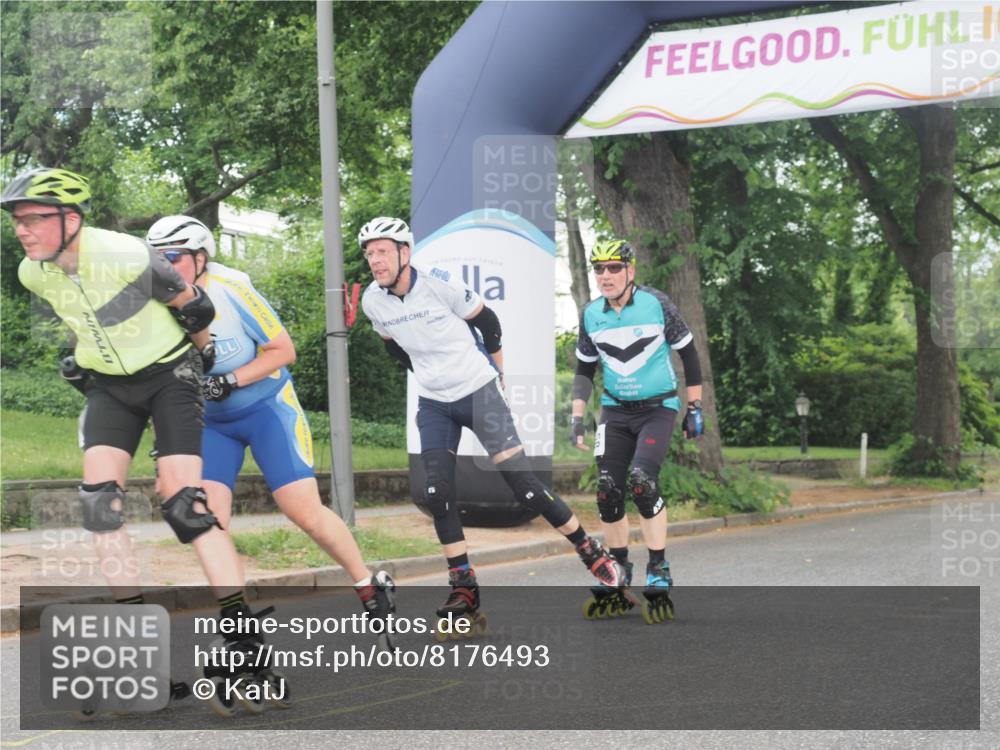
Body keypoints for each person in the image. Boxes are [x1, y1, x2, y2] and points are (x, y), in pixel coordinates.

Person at [1, 167, 262, 710]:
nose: (21, 230)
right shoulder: (34, 272)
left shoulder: (126, 254)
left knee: (186, 507)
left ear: (70, 220)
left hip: (171, 376)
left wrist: (206, 350)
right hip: (111, 388)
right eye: (16, 221)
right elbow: (84, 314)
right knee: (99, 507)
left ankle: (244, 640)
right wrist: (83, 356)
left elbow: (194, 306)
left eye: (32, 219)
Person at [358, 216, 625, 625]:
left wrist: (497, 375)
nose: (375, 260)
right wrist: (428, 376)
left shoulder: (438, 284)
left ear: (404, 253)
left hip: (478, 390)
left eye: (382, 251)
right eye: (370, 253)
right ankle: (463, 585)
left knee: (526, 487)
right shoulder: (372, 301)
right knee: (436, 489)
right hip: (434, 402)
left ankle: (588, 549)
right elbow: (394, 349)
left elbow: (489, 322)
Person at [144, 215, 395, 636]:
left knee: (303, 511)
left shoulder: (232, 288)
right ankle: (238, 622)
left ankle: (368, 585)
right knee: (209, 520)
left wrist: (231, 379)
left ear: (201, 257)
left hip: (266, 409)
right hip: (213, 423)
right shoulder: (156, 301)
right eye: (156, 261)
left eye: (172, 258)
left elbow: (284, 350)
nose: (163, 270)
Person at [570, 239, 704, 623]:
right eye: (599, 269)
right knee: (607, 488)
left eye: (614, 268)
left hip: (657, 408)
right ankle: (619, 569)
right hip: (614, 411)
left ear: (631, 271)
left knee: (642, 480)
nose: (606, 276)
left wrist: (695, 407)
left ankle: (659, 568)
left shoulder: (656, 304)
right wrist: (577, 416)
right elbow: (583, 370)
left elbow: (689, 354)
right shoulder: (591, 314)